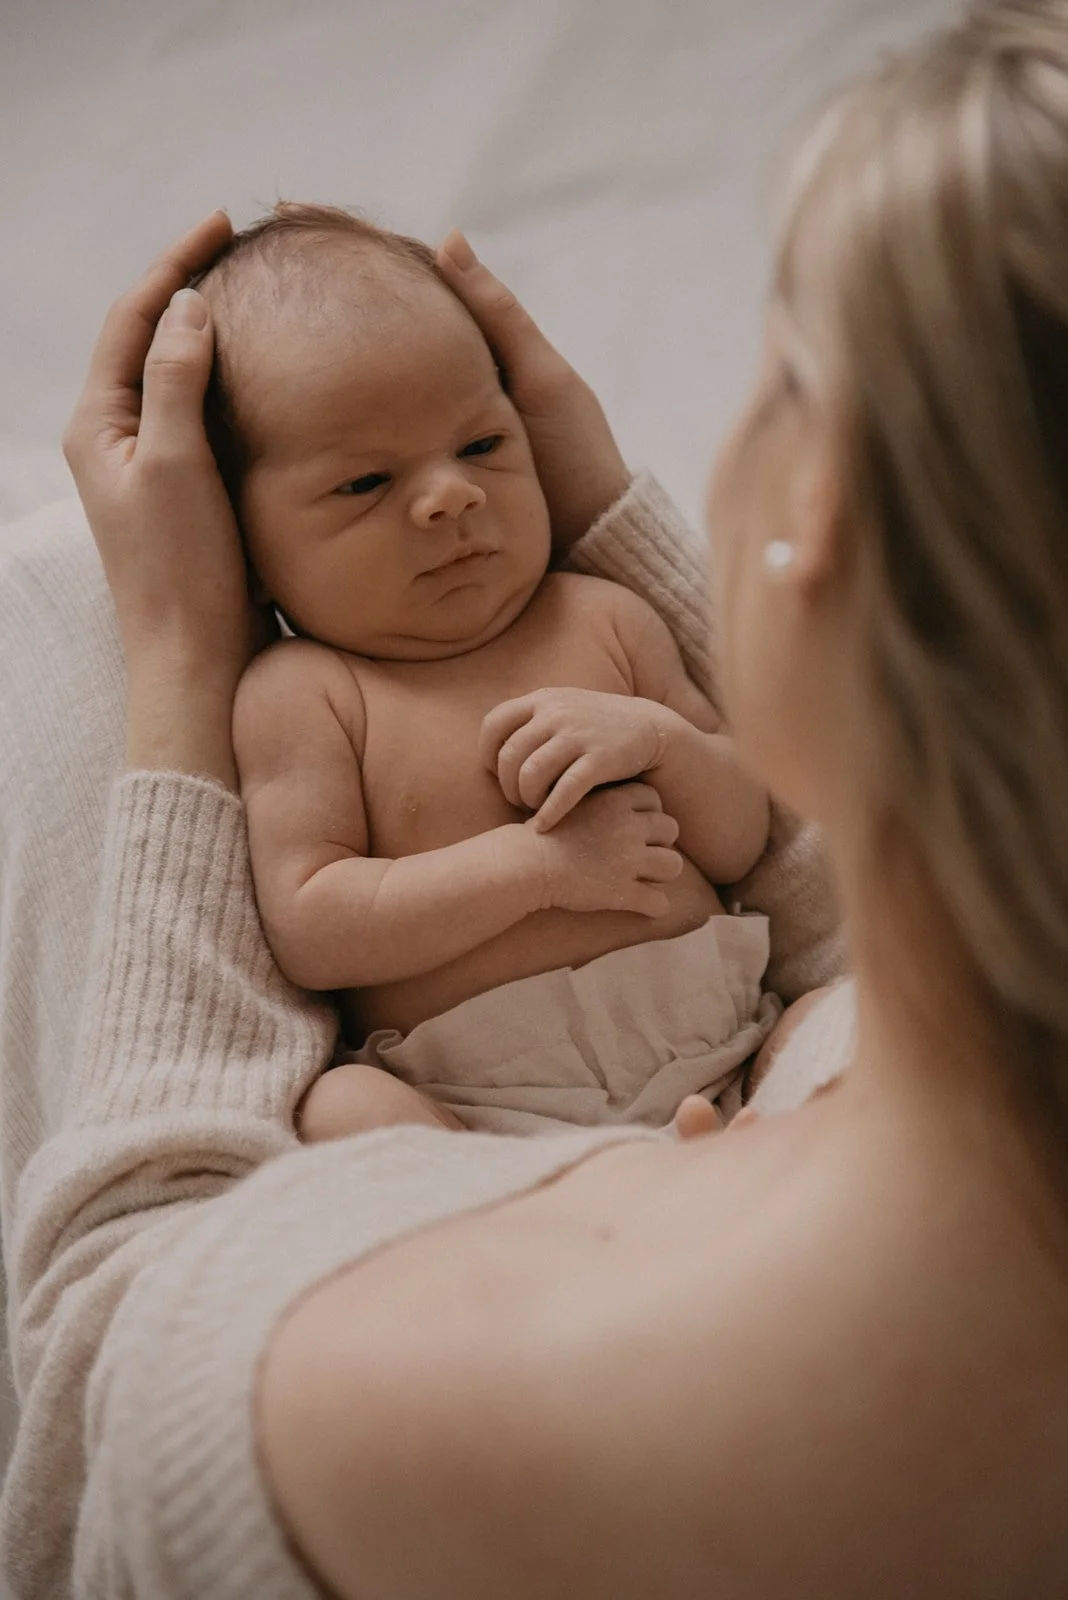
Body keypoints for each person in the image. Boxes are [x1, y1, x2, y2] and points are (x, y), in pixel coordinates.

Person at [4, 3, 1068, 1597]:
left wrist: (175, 648)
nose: (462, 495)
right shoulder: (888, 1032)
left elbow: (110, 1325)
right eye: (363, 484)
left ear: (817, 522)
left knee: (47, 586)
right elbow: (860, 889)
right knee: (354, 1091)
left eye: (781, 381)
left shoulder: (436, 1390)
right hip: (526, 1081)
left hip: (609, 1119)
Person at [195, 203, 779, 1141]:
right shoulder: (307, 694)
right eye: (365, 483)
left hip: (730, 1053)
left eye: (481, 446)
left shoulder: (603, 616)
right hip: (485, 1119)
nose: (451, 495)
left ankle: (773, 1162)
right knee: (343, 1111)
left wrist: (662, 743)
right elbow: (314, 925)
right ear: (247, 549)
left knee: (854, 1019)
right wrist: (538, 869)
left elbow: (743, 836)